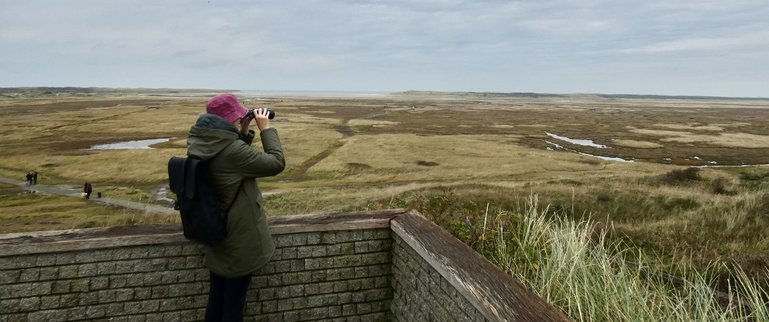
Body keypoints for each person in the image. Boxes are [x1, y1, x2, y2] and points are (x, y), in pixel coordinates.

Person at [187, 93, 285, 322]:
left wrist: (242, 131)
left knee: (217, 299)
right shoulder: (232, 151)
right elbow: (276, 163)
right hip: (238, 241)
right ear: (229, 119)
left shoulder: (201, 142)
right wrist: (265, 129)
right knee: (233, 307)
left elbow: (229, 161)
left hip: (216, 233)